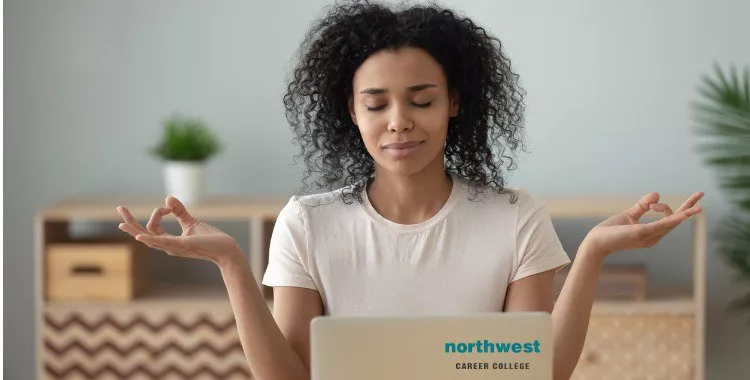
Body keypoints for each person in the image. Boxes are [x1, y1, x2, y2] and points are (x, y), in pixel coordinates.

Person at [116, 1, 704, 379]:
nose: (399, 120)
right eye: (377, 104)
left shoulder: (515, 217)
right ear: (351, 111)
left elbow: (538, 371)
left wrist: (594, 252)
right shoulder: (308, 222)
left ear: (454, 104)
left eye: (421, 100)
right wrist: (232, 265)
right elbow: (292, 377)